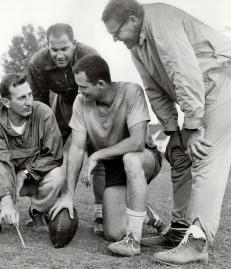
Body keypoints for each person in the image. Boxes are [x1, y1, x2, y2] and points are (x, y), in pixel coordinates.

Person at [102, 0, 231, 265]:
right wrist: (173, 131)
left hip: (223, 85)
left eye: (116, 33)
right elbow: (154, 89)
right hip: (202, 93)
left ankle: (197, 243)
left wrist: (193, 126)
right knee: (180, 156)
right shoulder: (136, 44)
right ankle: (180, 232)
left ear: (132, 21)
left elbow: (185, 71)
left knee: (204, 154)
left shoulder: (159, 20)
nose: (115, 39)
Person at [50, 55, 164, 257]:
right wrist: (68, 195)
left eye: (83, 87)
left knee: (130, 159)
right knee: (113, 234)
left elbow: (137, 142)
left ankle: (133, 241)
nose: (79, 91)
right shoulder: (80, 103)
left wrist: (97, 155)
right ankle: (147, 214)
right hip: (114, 168)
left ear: (101, 84)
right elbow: (76, 148)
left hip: (143, 157)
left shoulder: (131, 91)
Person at [27, 23, 105, 235]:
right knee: (46, 152)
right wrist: (43, 135)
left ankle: (101, 213)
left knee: (98, 153)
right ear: (47, 46)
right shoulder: (38, 63)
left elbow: (101, 91)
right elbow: (39, 103)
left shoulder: (90, 57)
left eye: (64, 49)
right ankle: (38, 210)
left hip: (89, 104)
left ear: (74, 43)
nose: (59, 55)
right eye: (54, 49)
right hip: (61, 105)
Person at [0, 73, 65, 239]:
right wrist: (7, 200)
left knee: (58, 173)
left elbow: (54, 155)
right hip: (6, 172)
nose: (29, 101)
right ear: (6, 102)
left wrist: (26, 173)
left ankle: (38, 211)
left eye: (30, 94)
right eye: (22, 98)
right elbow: (0, 162)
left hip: (33, 173)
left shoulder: (43, 113)